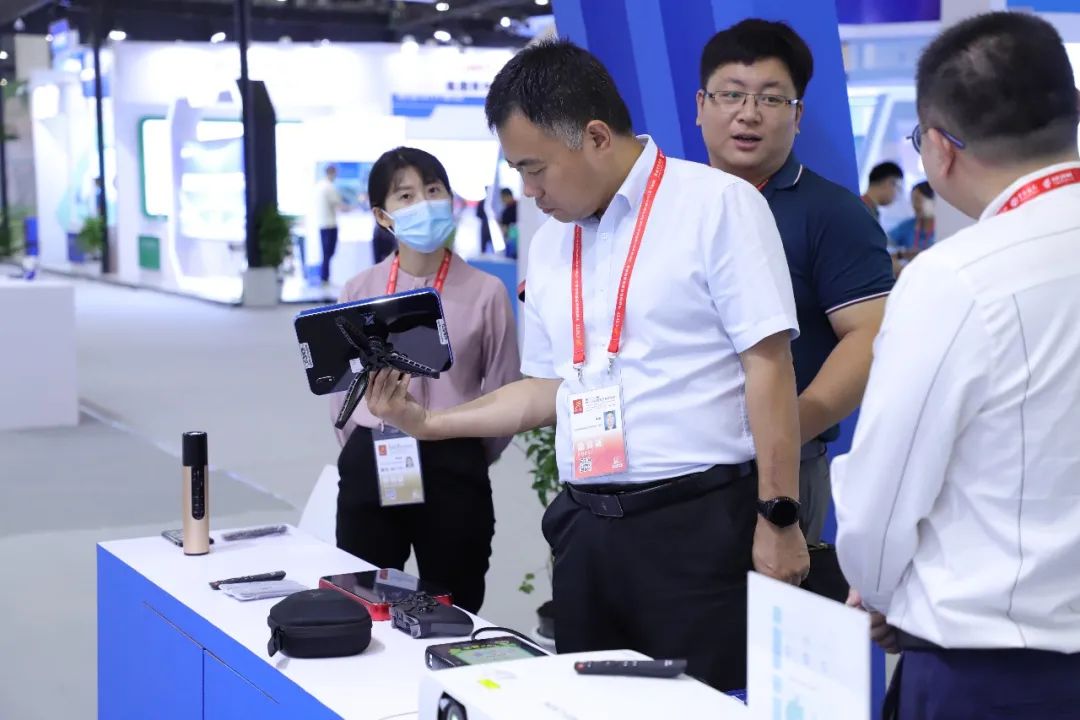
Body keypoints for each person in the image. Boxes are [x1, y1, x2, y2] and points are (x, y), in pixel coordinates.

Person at [364, 39, 809, 692]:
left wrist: (779, 515)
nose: (529, 190)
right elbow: (546, 388)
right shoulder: (551, 243)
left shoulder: (716, 206)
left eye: (535, 168)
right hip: (587, 529)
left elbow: (769, 366)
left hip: (697, 526)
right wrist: (428, 424)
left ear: (596, 137)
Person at [833, 12, 1080, 719]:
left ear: (939, 148)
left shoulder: (957, 278)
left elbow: (883, 499)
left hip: (997, 671)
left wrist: (884, 595)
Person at [696, 20, 893, 543]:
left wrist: (783, 433)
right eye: (731, 94)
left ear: (798, 115)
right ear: (700, 106)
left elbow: (870, 335)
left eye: (771, 98)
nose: (748, 113)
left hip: (781, 471)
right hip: (676, 466)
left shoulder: (833, 212)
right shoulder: (670, 204)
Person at [331, 147, 520, 614]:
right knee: (363, 600)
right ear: (382, 216)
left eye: (433, 190)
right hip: (375, 457)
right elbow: (341, 397)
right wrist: (365, 442)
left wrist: (460, 448)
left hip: (454, 461)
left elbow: (503, 389)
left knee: (454, 605)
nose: (424, 203)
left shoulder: (486, 292)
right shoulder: (359, 291)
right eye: (406, 196)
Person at [314, 165, 346, 285]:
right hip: (330, 224)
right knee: (328, 252)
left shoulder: (319, 186)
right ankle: (324, 277)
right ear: (332, 173)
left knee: (326, 253)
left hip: (323, 223)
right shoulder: (329, 187)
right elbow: (338, 204)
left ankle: (324, 277)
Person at [888, 180, 936, 258]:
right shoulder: (907, 226)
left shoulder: (944, 229)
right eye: (912, 200)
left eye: (918, 200)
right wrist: (902, 254)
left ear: (933, 200)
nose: (914, 205)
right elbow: (885, 244)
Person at [498, 187, 519, 259]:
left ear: (508, 196)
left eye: (503, 197)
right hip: (510, 238)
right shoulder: (505, 211)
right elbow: (504, 227)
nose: (502, 200)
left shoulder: (519, 207)